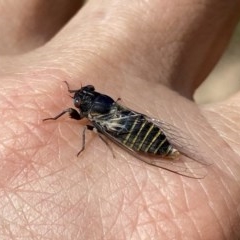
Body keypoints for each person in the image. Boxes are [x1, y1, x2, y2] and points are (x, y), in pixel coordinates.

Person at [0, 1, 239, 239]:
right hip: (124, 118)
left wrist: (81, 138)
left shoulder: (91, 118)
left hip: (125, 132)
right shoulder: (104, 104)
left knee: (93, 131)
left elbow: (89, 129)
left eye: (84, 96)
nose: (79, 98)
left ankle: (165, 148)